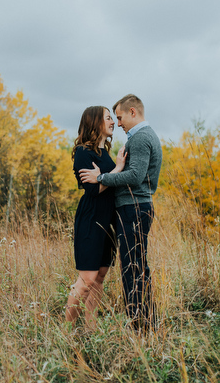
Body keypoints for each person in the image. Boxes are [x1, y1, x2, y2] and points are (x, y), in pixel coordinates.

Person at [79, 94, 162, 331]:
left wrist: (102, 177)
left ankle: (139, 325)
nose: (118, 123)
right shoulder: (145, 136)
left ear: (132, 112)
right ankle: (145, 322)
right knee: (137, 266)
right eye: (113, 118)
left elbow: (135, 176)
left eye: (120, 117)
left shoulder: (140, 138)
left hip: (133, 208)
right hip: (135, 208)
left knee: (132, 268)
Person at [65, 105, 127, 327]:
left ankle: (92, 329)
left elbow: (105, 183)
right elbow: (93, 190)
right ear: (95, 122)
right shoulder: (83, 152)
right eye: (108, 118)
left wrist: (104, 175)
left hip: (107, 222)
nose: (113, 122)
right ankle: (66, 332)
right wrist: (117, 170)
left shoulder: (104, 155)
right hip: (91, 220)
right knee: (86, 280)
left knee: (99, 278)